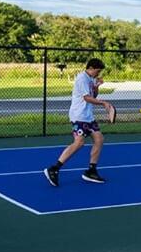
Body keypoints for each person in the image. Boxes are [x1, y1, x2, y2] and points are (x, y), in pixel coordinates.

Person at [44, 58, 114, 187]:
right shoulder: (82, 78)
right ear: (91, 68)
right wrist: (103, 103)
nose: (98, 74)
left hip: (88, 116)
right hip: (79, 116)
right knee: (79, 143)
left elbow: (93, 95)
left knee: (99, 139)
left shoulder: (91, 79)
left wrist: (97, 86)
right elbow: (87, 98)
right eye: (97, 71)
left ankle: (91, 171)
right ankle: (54, 168)